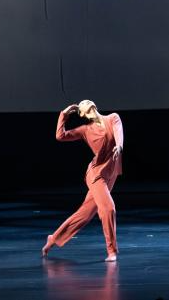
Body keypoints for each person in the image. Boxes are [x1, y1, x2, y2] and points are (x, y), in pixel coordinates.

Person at [41, 100, 124, 262]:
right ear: (83, 113)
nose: (84, 102)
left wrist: (119, 146)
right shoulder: (86, 130)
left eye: (86, 101)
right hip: (96, 175)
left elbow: (118, 133)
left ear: (94, 105)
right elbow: (60, 136)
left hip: (110, 173)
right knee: (108, 209)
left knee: (84, 214)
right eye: (82, 104)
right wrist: (64, 114)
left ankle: (54, 238)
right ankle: (112, 251)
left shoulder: (113, 118)